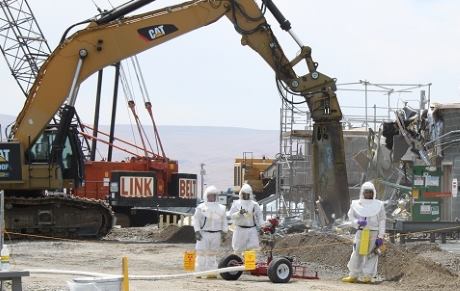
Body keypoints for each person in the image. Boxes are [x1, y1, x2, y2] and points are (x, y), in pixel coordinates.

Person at [342, 181, 386, 284]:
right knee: (357, 253)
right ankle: (353, 275)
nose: (368, 194)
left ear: (373, 193)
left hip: (374, 233)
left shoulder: (379, 205)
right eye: (366, 192)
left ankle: (368, 276)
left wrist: (380, 236)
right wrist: (357, 222)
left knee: (372, 254)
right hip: (361, 232)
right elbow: (351, 217)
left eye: (370, 192)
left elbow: (382, 221)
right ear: (362, 193)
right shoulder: (356, 204)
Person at [192, 185, 228, 278]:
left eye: (213, 195)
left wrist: (224, 233)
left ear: (216, 196)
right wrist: (197, 231)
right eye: (209, 195)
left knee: (212, 254)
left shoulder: (221, 208)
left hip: (216, 234)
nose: (211, 197)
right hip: (204, 234)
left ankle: (211, 273)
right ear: (206, 196)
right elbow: (196, 220)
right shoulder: (201, 207)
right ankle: (199, 272)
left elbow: (224, 221)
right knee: (201, 254)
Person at [228, 183, 264, 254]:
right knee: (238, 249)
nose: (246, 196)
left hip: (251, 229)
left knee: (252, 249)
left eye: (247, 194)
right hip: (240, 230)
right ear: (241, 193)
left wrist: (262, 226)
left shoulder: (254, 204)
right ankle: (238, 263)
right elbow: (231, 215)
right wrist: (239, 213)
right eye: (244, 194)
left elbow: (259, 216)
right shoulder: (236, 203)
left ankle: (249, 264)